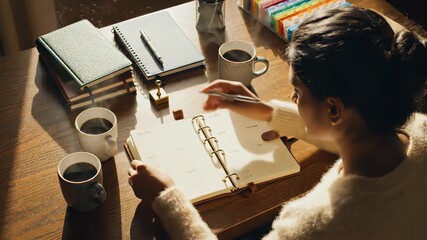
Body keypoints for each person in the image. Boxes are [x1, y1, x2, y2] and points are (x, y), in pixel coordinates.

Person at [127, 7, 427, 239]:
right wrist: (267, 111)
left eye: (297, 92)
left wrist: (166, 197)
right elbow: (350, 133)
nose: (293, 98)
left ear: (333, 109)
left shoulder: (313, 224)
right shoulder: (418, 131)